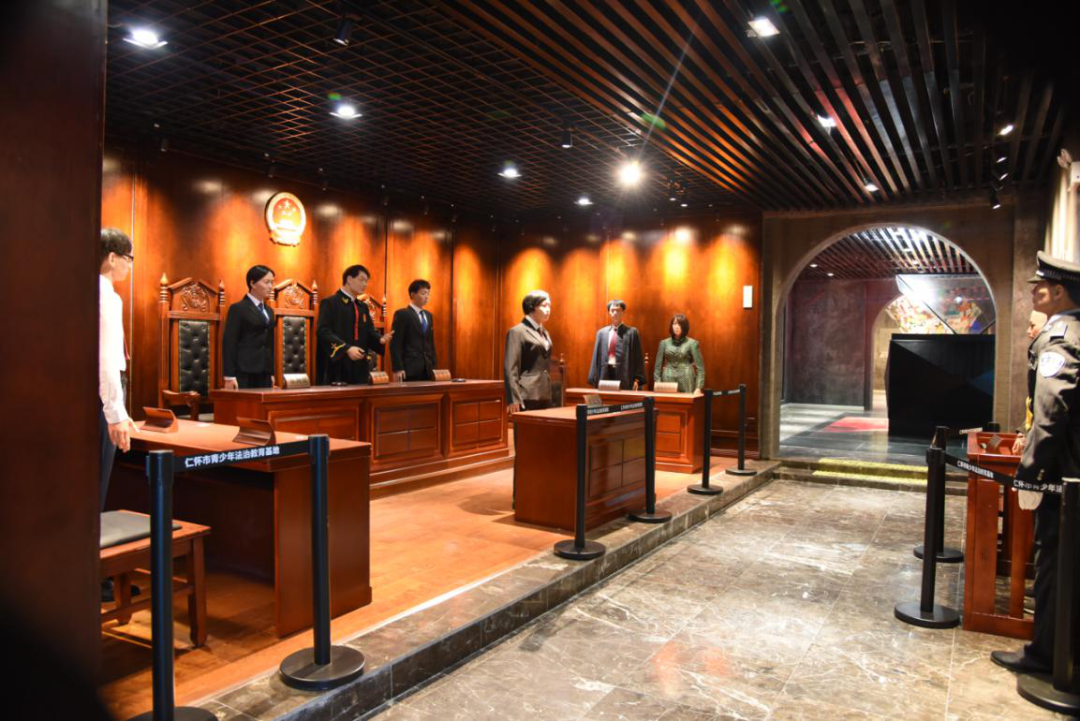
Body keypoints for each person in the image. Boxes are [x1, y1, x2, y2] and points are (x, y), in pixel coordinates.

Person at [991, 251, 1080, 676]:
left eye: (1041, 285)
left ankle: (1047, 655)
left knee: (1055, 564)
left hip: (1065, 475)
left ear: (1059, 292)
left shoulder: (1060, 337)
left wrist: (1030, 474)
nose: (1035, 290)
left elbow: (1050, 412)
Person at [99, 228, 138, 511]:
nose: (130, 265)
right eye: (129, 258)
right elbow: (106, 357)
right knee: (98, 476)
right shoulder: (108, 297)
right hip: (102, 394)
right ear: (112, 258)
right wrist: (115, 413)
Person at [317, 265, 393, 385]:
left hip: (359, 367)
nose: (365, 284)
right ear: (349, 279)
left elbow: (369, 331)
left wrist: (380, 339)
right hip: (337, 366)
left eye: (366, 281)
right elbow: (323, 331)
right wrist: (347, 349)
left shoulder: (362, 307)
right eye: (361, 280)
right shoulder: (330, 302)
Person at [223, 265, 276, 389]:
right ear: (252, 283)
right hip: (244, 372)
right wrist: (229, 376)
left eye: (272, 282)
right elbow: (229, 343)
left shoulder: (269, 311)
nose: (270, 286)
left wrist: (271, 372)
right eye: (267, 282)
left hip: (264, 372)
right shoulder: (238, 309)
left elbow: (269, 344)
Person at [505, 290, 553, 413]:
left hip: (544, 394)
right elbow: (511, 368)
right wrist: (513, 398)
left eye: (549, 306)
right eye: (544, 305)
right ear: (532, 306)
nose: (548, 309)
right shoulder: (517, 332)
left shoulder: (545, 332)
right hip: (526, 395)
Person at [1012, 309, 1049, 455]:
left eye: (1032, 325)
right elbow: (1034, 406)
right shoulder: (1039, 354)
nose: (1028, 331)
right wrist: (1024, 432)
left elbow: (1051, 408)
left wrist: (1030, 435)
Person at [587, 299, 645, 390]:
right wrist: (593, 376)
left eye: (618, 310)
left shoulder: (632, 333)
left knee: (623, 397)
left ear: (623, 312)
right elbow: (596, 357)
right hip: (605, 373)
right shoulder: (601, 333)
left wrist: (637, 379)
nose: (615, 313)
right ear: (609, 312)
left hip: (625, 374)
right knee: (606, 397)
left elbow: (638, 357)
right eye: (612, 310)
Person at [390, 279, 437, 381]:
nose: (427, 296)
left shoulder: (428, 315)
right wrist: (398, 368)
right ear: (413, 294)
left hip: (428, 368)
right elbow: (396, 343)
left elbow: (431, 343)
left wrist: (434, 365)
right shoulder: (402, 314)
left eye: (428, 293)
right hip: (409, 369)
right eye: (423, 293)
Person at [654, 313, 705, 393]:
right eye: (674, 324)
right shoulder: (664, 343)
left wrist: (698, 387)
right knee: (668, 401)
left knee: (686, 400)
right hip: (668, 378)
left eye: (680, 324)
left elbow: (700, 368)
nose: (677, 327)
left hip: (686, 379)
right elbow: (658, 367)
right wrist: (658, 382)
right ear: (671, 326)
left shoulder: (692, 343)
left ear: (684, 327)